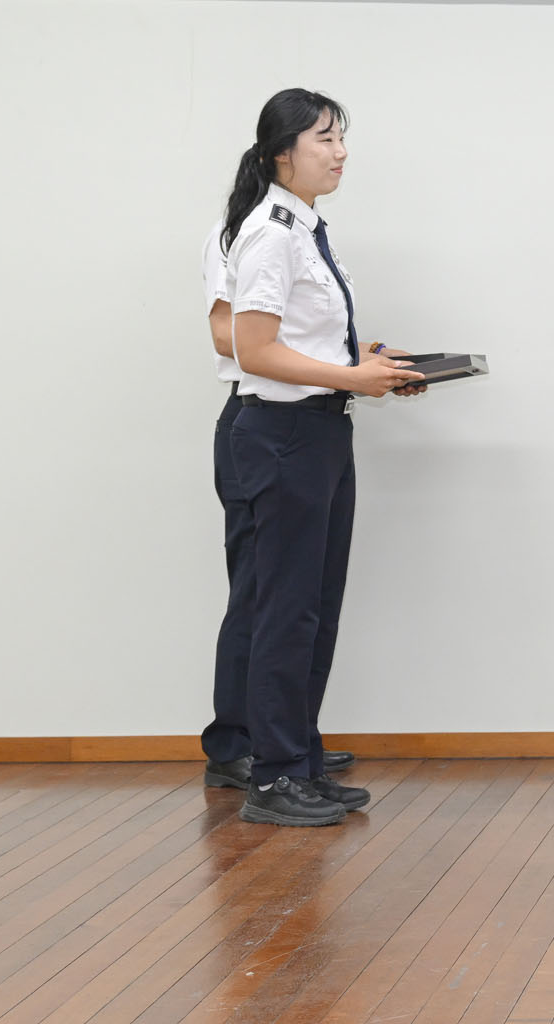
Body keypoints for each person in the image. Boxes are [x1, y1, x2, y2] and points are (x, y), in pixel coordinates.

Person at [221, 88, 427, 826]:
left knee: (314, 607)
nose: (340, 153)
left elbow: (298, 339)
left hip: (320, 433)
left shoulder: (304, 228)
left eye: (341, 138)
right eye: (324, 139)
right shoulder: (271, 233)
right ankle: (274, 777)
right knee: (286, 610)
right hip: (282, 436)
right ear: (282, 153)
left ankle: (299, 760)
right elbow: (252, 349)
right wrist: (351, 378)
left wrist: (365, 365)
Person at [202, 221, 357, 792]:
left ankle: (287, 739)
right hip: (261, 413)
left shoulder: (303, 234)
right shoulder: (248, 233)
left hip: (301, 410)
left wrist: (353, 363)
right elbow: (231, 339)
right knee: (261, 593)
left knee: (298, 596)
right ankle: (239, 745)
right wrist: (335, 368)